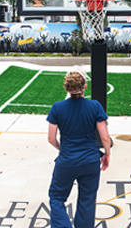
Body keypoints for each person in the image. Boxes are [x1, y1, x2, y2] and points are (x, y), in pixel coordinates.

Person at [47, 66, 111, 228]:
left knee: (56, 197)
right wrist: (107, 154)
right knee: (87, 200)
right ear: (84, 86)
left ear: (66, 87)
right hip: (90, 160)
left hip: (67, 161)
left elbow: (51, 138)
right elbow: (104, 137)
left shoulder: (57, 107)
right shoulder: (95, 106)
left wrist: (61, 149)